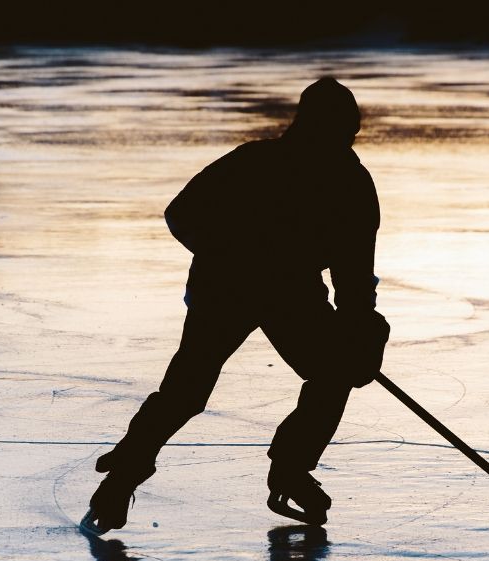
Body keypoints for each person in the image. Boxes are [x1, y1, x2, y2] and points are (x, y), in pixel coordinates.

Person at [83, 77, 389, 535]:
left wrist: (359, 328)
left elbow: (353, 272)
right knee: (191, 389)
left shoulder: (344, 182)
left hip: (276, 292)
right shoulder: (270, 164)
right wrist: (230, 253)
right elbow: (181, 213)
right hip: (229, 286)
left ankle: (286, 468)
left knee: (330, 370)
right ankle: (129, 469)